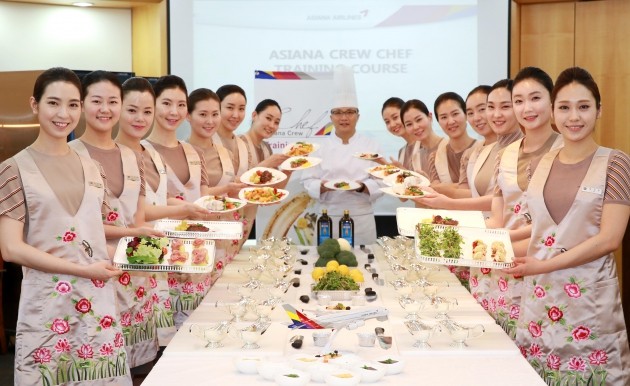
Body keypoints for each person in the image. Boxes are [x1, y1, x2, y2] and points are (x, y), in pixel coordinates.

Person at [0, 67, 131, 385]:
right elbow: (10, 247)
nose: (64, 114)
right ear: (35, 105)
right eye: (54, 103)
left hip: (97, 299)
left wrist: (135, 240)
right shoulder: (13, 169)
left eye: (73, 104)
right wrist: (86, 270)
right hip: (47, 305)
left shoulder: (92, 167)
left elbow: (99, 228)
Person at [505, 67, 630, 385]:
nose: (574, 116)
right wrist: (491, 248)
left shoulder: (615, 163)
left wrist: (541, 264)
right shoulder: (538, 164)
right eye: (564, 107)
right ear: (553, 113)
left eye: (584, 107)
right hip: (539, 303)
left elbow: (608, 240)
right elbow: (539, 231)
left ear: (599, 111)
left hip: (587, 304)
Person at [69, 70, 163, 369]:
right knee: (100, 364)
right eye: (97, 101)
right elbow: (72, 227)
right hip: (95, 273)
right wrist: (133, 233)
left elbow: (138, 215)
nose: (105, 109)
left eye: (113, 101)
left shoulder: (134, 156)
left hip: (135, 276)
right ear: (82, 105)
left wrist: (143, 238)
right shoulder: (70, 155)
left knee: (138, 367)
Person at [143, 75, 213, 328]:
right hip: (158, 257)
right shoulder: (138, 152)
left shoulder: (195, 153)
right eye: (167, 104)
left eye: (181, 104)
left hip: (195, 255)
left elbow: (205, 203)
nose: (174, 112)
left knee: (197, 334)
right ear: (153, 105)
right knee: (161, 340)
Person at [301, 65, 383, 245]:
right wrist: (322, 186)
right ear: (331, 118)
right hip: (327, 218)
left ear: (358, 116)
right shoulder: (318, 147)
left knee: (364, 266)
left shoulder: (372, 145)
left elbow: (382, 182)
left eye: (349, 112)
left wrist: (362, 187)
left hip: (362, 219)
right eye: (338, 112)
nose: (343, 117)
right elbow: (307, 181)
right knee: (325, 266)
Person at [427, 92, 480, 194]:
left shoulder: (483, 149)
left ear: (466, 114)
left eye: (455, 114)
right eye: (443, 117)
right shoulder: (435, 157)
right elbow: (435, 193)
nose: (450, 121)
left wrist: (440, 188)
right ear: (438, 121)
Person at [399, 99, 443, 176]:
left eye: (419, 120)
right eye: (409, 124)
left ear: (429, 117)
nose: (415, 127)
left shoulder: (447, 147)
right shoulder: (416, 156)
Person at [379, 97, 419, 169]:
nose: (392, 124)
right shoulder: (402, 152)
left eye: (395, 117)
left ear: (405, 114)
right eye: (387, 122)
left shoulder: (423, 145)